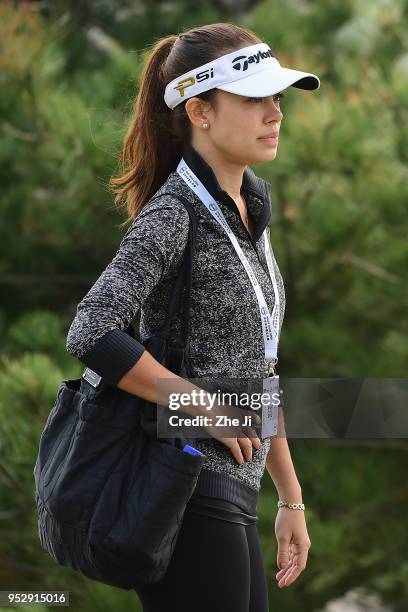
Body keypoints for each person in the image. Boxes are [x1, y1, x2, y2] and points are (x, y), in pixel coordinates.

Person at [66, 21, 320, 612]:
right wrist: (199, 404)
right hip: (183, 489)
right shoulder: (176, 211)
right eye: (254, 98)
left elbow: (256, 367)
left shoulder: (247, 207)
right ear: (199, 110)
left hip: (234, 493)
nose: (274, 113)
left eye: (276, 97)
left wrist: (290, 496)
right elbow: (91, 329)